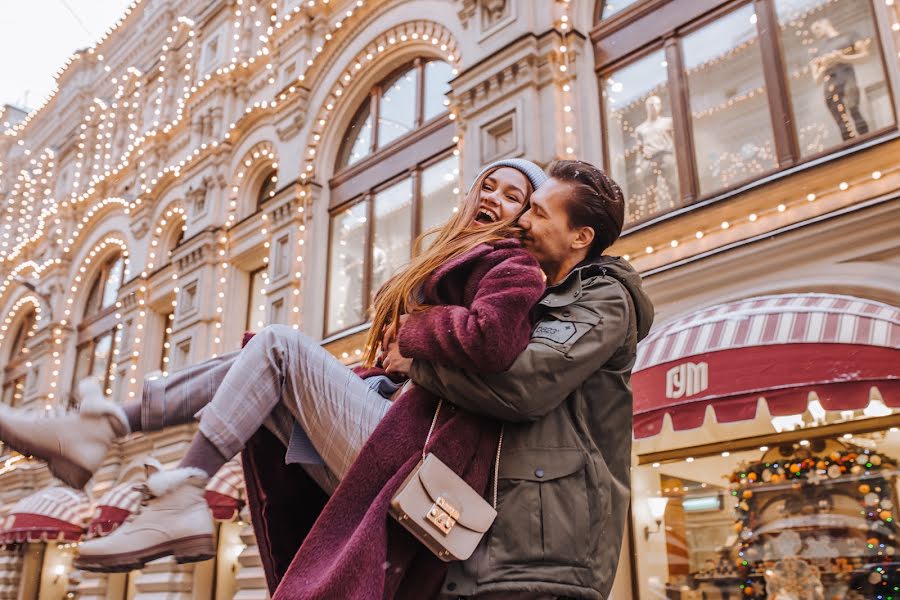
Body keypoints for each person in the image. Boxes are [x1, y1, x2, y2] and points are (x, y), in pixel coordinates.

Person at [0, 159, 548, 574]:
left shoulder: (513, 264)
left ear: (528, 215)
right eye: (489, 186)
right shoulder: (447, 259)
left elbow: (493, 342)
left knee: (277, 345)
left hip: (415, 451)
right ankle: (103, 427)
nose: (494, 198)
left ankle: (168, 477)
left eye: (514, 196)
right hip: (384, 431)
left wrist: (412, 335)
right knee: (254, 359)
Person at [383, 160, 655, 599]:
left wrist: (418, 364)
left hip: (543, 556)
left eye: (539, 213)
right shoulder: (542, 295)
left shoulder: (603, 299)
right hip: (493, 539)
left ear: (580, 237)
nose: (523, 222)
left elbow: (521, 389)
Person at [809, 18, 871, 141]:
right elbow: (816, 80)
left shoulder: (850, 36)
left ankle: (868, 143)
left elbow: (865, 56)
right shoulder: (818, 51)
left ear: (826, 23)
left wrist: (841, 58)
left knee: (854, 111)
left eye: (817, 27)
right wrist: (824, 67)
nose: (815, 32)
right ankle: (852, 151)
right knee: (842, 123)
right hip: (830, 88)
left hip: (848, 80)